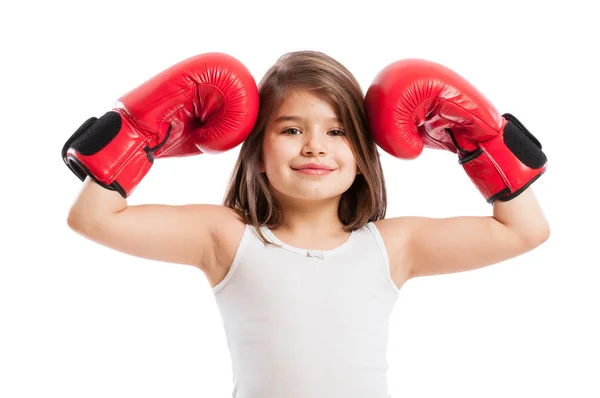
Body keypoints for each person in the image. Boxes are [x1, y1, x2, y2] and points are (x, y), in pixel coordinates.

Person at [63, 50, 550, 398]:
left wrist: (484, 140)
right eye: (292, 129)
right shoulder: (227, 237)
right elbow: (93, 217)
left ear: (363, 156)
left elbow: (524, 230)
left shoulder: (393, 245)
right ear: (256, 154)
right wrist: (135, 131)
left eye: (337, 131)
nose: (315, 146)